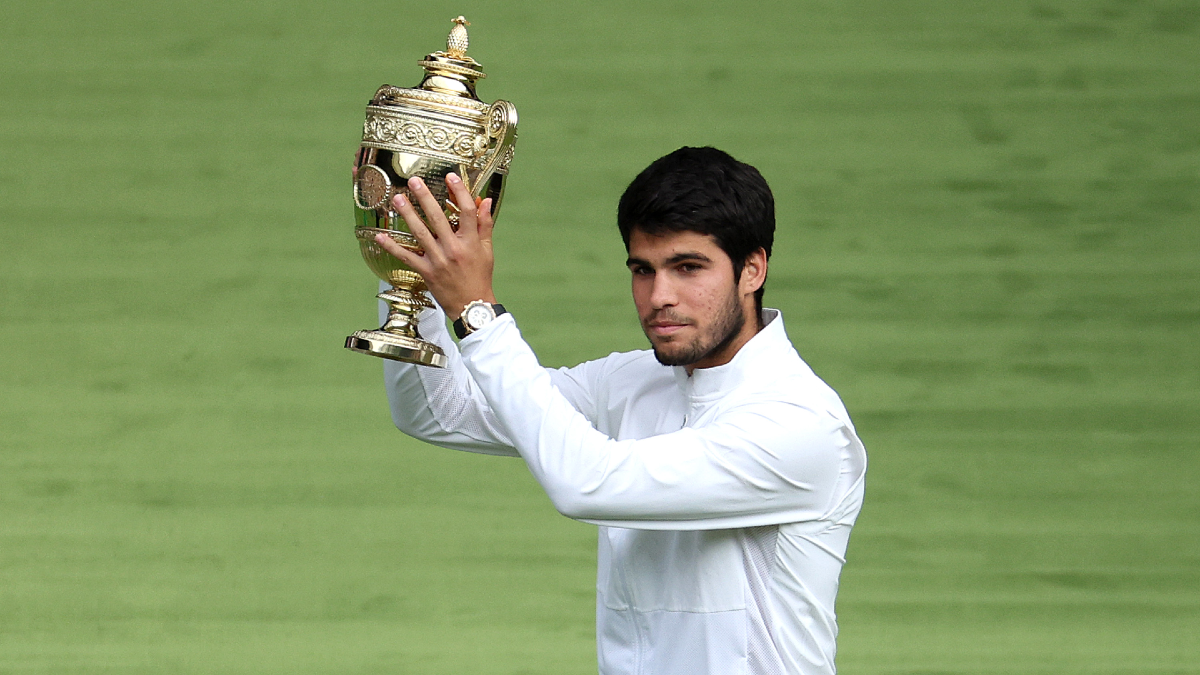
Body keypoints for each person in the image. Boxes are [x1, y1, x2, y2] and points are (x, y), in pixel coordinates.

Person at [372, 146, 867, 675]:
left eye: (688, 268)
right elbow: (439, 410)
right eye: (643, 270)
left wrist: (476, 312)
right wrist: (411, 262)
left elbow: (588, 482)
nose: (659, 296)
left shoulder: (799, 423)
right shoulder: (634, 381)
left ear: (752, 269)